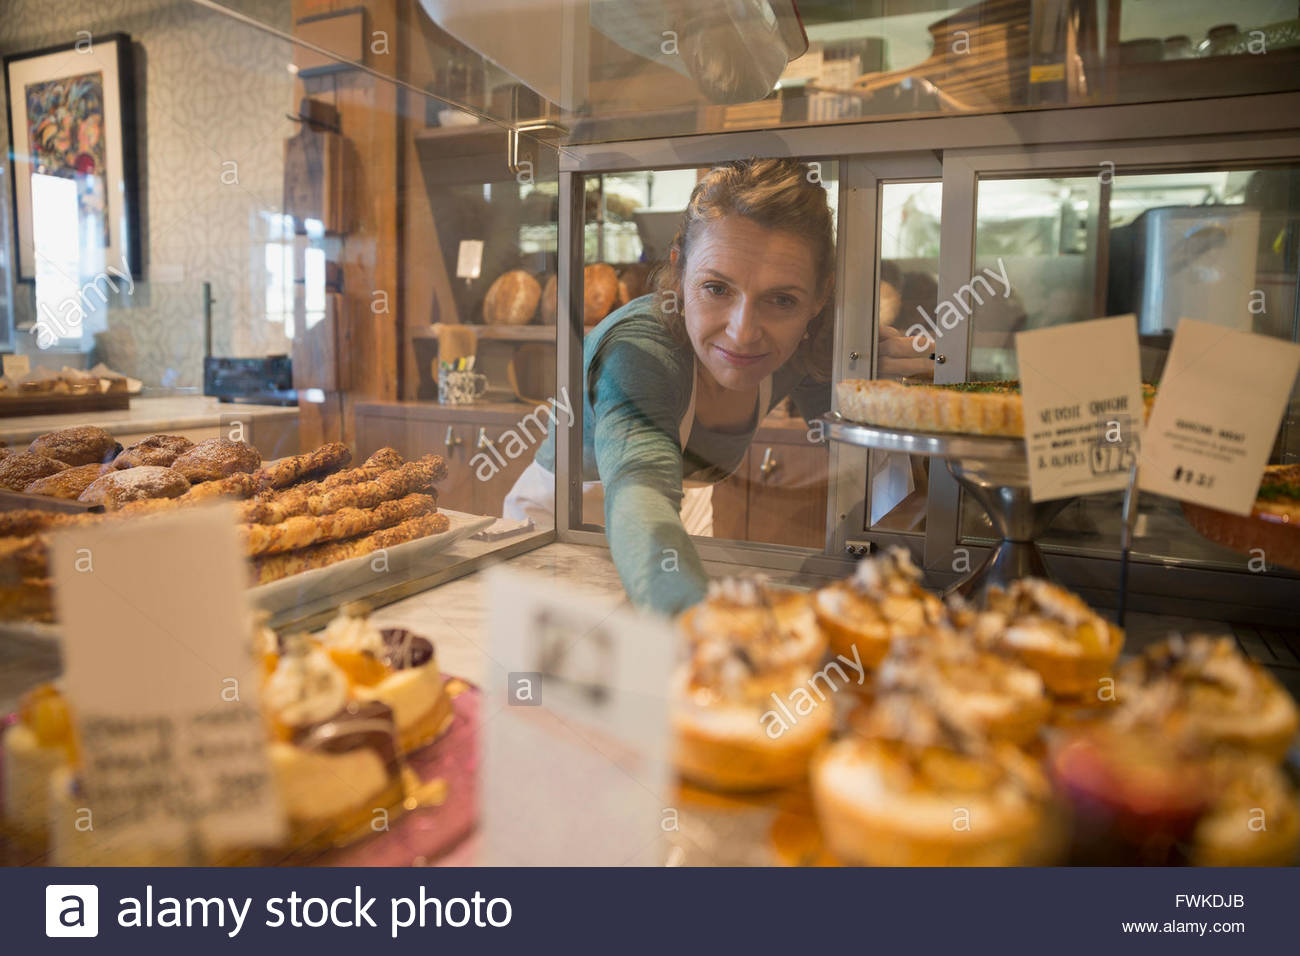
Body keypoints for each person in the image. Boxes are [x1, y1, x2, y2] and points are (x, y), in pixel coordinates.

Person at [504, 158, 927, 616]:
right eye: (717, 289)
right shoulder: (638, 352)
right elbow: (638, 494)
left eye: (782, 299)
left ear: (819, 297)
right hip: (564, 530)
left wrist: (890, 400)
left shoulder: (806, 348)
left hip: (678, 522)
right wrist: (708, 633)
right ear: (679, 269)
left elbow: (870, 473)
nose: (744, 333)